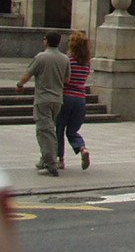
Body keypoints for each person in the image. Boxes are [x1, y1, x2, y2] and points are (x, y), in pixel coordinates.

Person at [16, 31, 70, 177]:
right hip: (57, 99)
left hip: (43, 99)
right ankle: (44, 159)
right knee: (49, 129)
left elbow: (28, 74)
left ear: (46, 41)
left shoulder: (41, 57)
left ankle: (51, 164)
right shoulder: (65, 58)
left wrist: (20, 84)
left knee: (44, 132)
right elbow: (67, 80)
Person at [56, 30, 92, 170]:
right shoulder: (87, 63)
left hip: (67, 96)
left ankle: (60, 159)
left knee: (59, 129)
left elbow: (65, 79)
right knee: (72, 131)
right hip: (81, 98)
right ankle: (82, 148)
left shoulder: (68, 60)